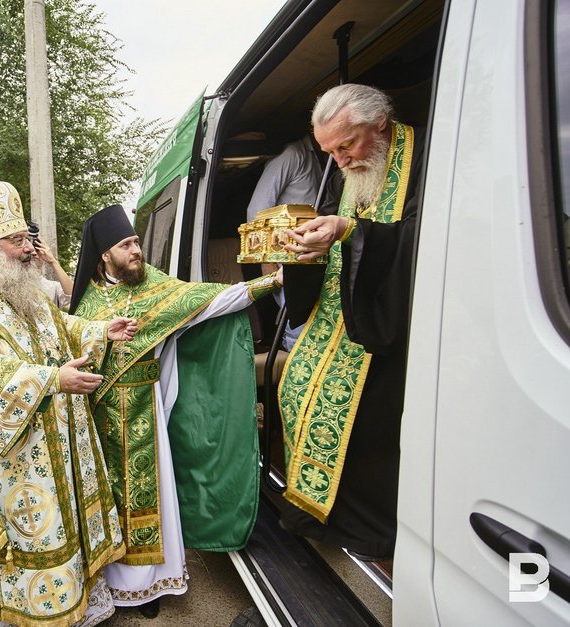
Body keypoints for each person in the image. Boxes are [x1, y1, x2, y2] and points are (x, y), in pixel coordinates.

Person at [0, 181, 138, 626]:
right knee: (34, 538)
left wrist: (100, 331)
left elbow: (58, 326)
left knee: (68, 528)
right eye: (17, 241)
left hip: (60, 443)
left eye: (28, 239)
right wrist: (53, 379)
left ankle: (76, 605)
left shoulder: (24, 290)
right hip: (18, 459)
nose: (29, 248)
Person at [69, 205, 282, 617]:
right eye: (126, 245)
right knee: (109, 500)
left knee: (153, 496)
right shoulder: (89, 304)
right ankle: (112, 585)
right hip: (101, 419)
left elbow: (209, 301)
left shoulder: (155, 285)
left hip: (148, 412)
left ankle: (149, 588)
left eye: (136, 242)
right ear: (103, 256)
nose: (136, 250)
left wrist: (272, 281)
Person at [277, 83, 425, 561]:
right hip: (354, 318)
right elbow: (352, 239)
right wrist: (312, 248)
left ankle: (371, 532)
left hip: (403, 325)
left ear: (379, 123)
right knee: (295, 382)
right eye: (329, 152)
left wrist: (351, 232)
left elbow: (422, 240)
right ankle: (323, 514)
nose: (339, 162)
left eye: (347, 146)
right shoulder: (356, 169)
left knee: (368, 412)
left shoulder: (429, 159)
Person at [245, 131, 342, 351]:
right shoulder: (292, 155)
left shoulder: (326, 159)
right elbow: (256, 212)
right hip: (288, 264)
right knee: (297, 330)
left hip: (316, 261)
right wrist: (269, 269)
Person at [28, 220, 74, 309]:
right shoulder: (12, 284)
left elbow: (73, 297)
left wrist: (52, 261)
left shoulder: (51, 287)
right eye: (30, 251)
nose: (34, 254)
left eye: (38, 250)